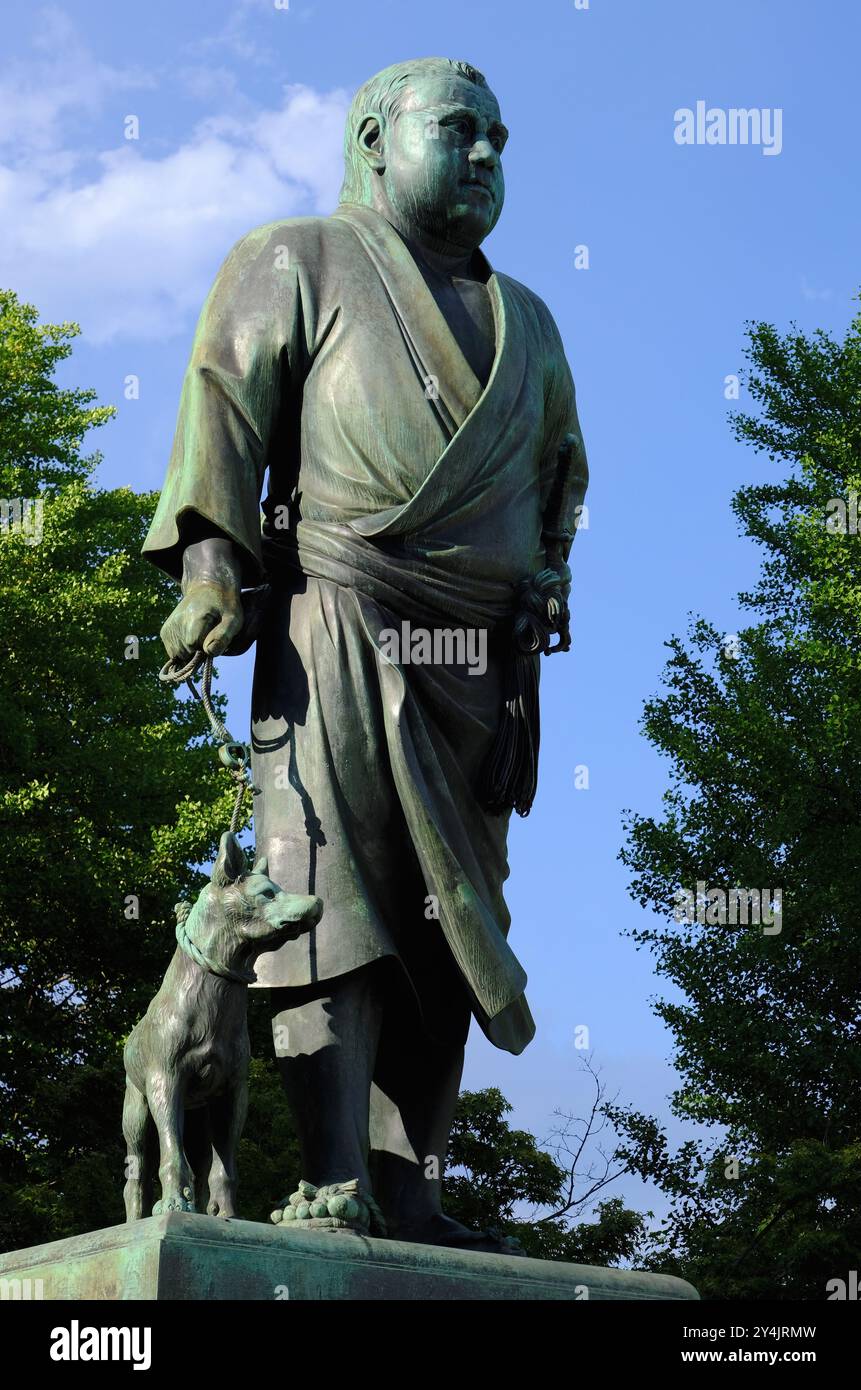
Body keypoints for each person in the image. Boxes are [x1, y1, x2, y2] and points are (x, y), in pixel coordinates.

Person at [144, 56, 588, 1251]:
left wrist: (547, 570)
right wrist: (207, 570)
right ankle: (333, 1171)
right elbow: (225, 410)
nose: (489, 154)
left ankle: (411, 1185)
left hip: (479, 667)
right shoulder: (295, 257)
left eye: (502, 137)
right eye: (461, 131)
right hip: (333, 612)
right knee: (323, 889)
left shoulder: (529, 321)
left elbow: (558, 475)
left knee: (454, 919)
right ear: (374, 137)